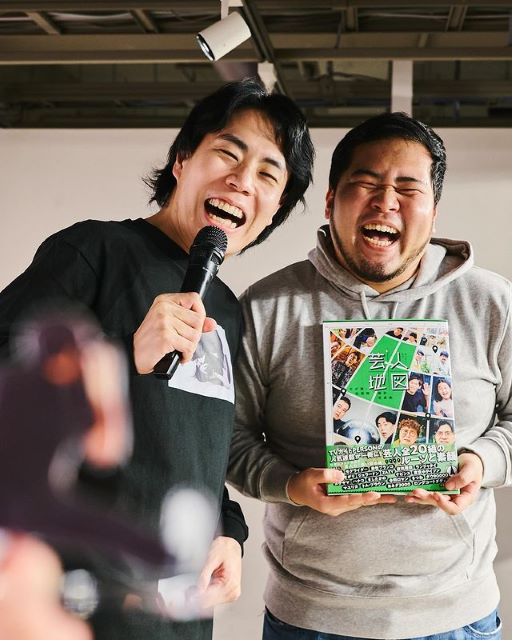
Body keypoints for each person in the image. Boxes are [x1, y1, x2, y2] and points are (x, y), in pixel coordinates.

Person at [0, 79, 315, 640]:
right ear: (181, 160)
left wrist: (229, 531)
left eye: (269, 176)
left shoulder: (227, 309)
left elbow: (194, 447)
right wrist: (123, 355)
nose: (243, 181)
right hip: (78, 601)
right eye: (228, 153)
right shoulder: (93, 252)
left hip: (177, 608)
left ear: (273, 212)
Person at [228, 111, 510, 639]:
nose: (386, 202)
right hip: (309, 617)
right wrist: (290, 486)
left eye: (408, 188)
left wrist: (482, 461)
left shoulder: (492, 304)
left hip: (456, 616)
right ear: (331, 200)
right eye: (366, 183)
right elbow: (226, 436)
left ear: (433, 210)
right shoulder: (267, 307)